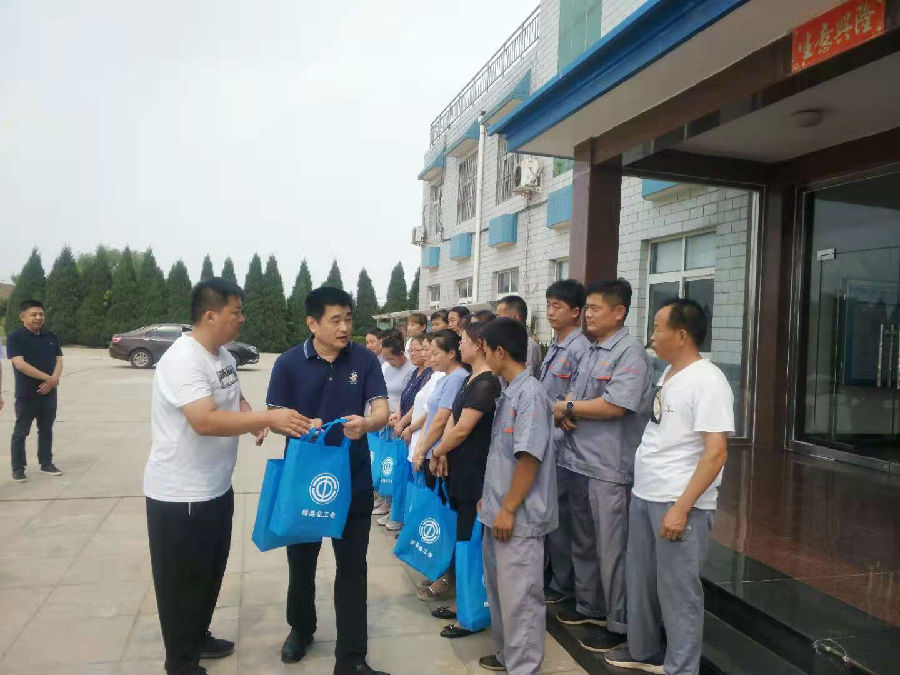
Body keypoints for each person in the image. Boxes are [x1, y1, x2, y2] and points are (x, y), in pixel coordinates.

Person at [144, 278, 311, 675]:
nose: (242, 319)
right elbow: (204, 420)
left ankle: (197, 636)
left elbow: (235, 398)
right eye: (236, 312)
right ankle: (180, 663)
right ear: (210, 315)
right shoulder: (183, 360)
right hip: (180, 494)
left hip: (216, 487)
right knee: (181, 582)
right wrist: (269, 417)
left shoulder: (223, 356)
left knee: (209, 572)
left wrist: (253, 418)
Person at [265, 286, 390, 675]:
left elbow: (381, 410)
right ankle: (301, 629)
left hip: (353, 478)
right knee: (302, 561)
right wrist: (301, 425)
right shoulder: (289, 363)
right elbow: (274, 418)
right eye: (335, 320)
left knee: (352, 568)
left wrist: (366, 424)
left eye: (348, 319)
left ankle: (351, 658)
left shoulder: (364, 359)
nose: (344, 327)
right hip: (305, 479)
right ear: (312, 323)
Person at [605, 299, 732, 675]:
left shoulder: (709, 381)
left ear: (682, 334)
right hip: (647, 493)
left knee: (678, 591)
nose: (652, 336)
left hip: (678, 502)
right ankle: (643, 650)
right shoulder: (670, 374)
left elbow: (716, 453)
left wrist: (681, 508)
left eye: (658, 328)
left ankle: (681, 667)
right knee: (641, 580)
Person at [551, 279, 653, 654]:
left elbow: (615, 405)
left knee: (613, 550)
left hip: (609, 467)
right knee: (584, 541)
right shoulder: (592, 349)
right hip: (579, 460)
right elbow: (575, 395)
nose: (589, 315)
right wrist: (567, 408)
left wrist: (568, 408)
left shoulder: (630, 353)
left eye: (595, 308)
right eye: (588, 308)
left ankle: (619, 623)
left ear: (619, 312)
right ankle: (590, 606)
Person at [477, 317, 557, 675]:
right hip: (498, 511)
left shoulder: (531, 395)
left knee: (520, 599)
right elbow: (502, 456)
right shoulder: (508, 391)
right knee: (501, 594)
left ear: (500, 352)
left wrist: (508, 508)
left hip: (519, 517)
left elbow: (529, 458)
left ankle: (523, 666)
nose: (483, 358)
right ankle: (507, 656)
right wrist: (491, 500)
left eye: (484, 350)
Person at [430, 321, 501, 638]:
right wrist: (442, 451)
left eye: (464, 340)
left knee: (471, 540)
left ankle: (471, 613)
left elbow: (462, 429)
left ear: (479, 344)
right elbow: (452, 420)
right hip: (459, 467)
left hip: (476, 471)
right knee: (462, 537)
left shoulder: (487, 383)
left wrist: (437, 450)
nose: (460, 345)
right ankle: (462, 603)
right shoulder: (470, 378)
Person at [538, 280, 590, 605]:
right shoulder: (556, 346)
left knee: (562, 518)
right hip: (548, 442)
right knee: (550, 514)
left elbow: (574, 401)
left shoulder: (579, 348)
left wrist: (562, 412)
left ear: (575, 311)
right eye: (548, 305)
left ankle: (562, 583)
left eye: (557, 306)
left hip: (565, 445)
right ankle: (553, 576)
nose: (550, 312)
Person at [411, 329, 468, 600]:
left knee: (446, 519)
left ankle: (448, 576)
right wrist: (420, 449)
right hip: (431, 454)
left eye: (435, 353)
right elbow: (430, 416)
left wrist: (426, 450)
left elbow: (443, 419)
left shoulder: (458, 378)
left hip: (442, 458)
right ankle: (439, 567)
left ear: (451, 353)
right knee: (436, 515)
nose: (430, 357)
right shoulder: (444, 378)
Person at [7, 299, 63, 481]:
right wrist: (49, 378)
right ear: (22, 317)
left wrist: (52, 381)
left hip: (49, 394)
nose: (38, 317)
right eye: (33, 314)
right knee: (21, 432)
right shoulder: (15, 337)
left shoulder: (51, 337)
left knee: (46, 429)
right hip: (26, 394)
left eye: (41, 314)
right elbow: (20, 364)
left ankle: (46, 463)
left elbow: (59, 360)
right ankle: (18, 468)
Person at [374, 332, 415, 526]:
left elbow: (407, 397)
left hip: (399, 422)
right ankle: (385, 500)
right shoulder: (385, 367)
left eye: (391, 358)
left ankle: (394, 507)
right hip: (385, 419)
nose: (389, 362)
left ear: (400, 354)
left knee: (395, 467)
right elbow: (379, 391)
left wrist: (398, 417)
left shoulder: (410, 369)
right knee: (384, 463)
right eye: (386, 358)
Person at [496, 296, 541, 377]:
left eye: (499, 317)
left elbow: (523, 378)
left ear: (515, 318)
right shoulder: (505, 342)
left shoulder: (528, 345)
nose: (496, 321)